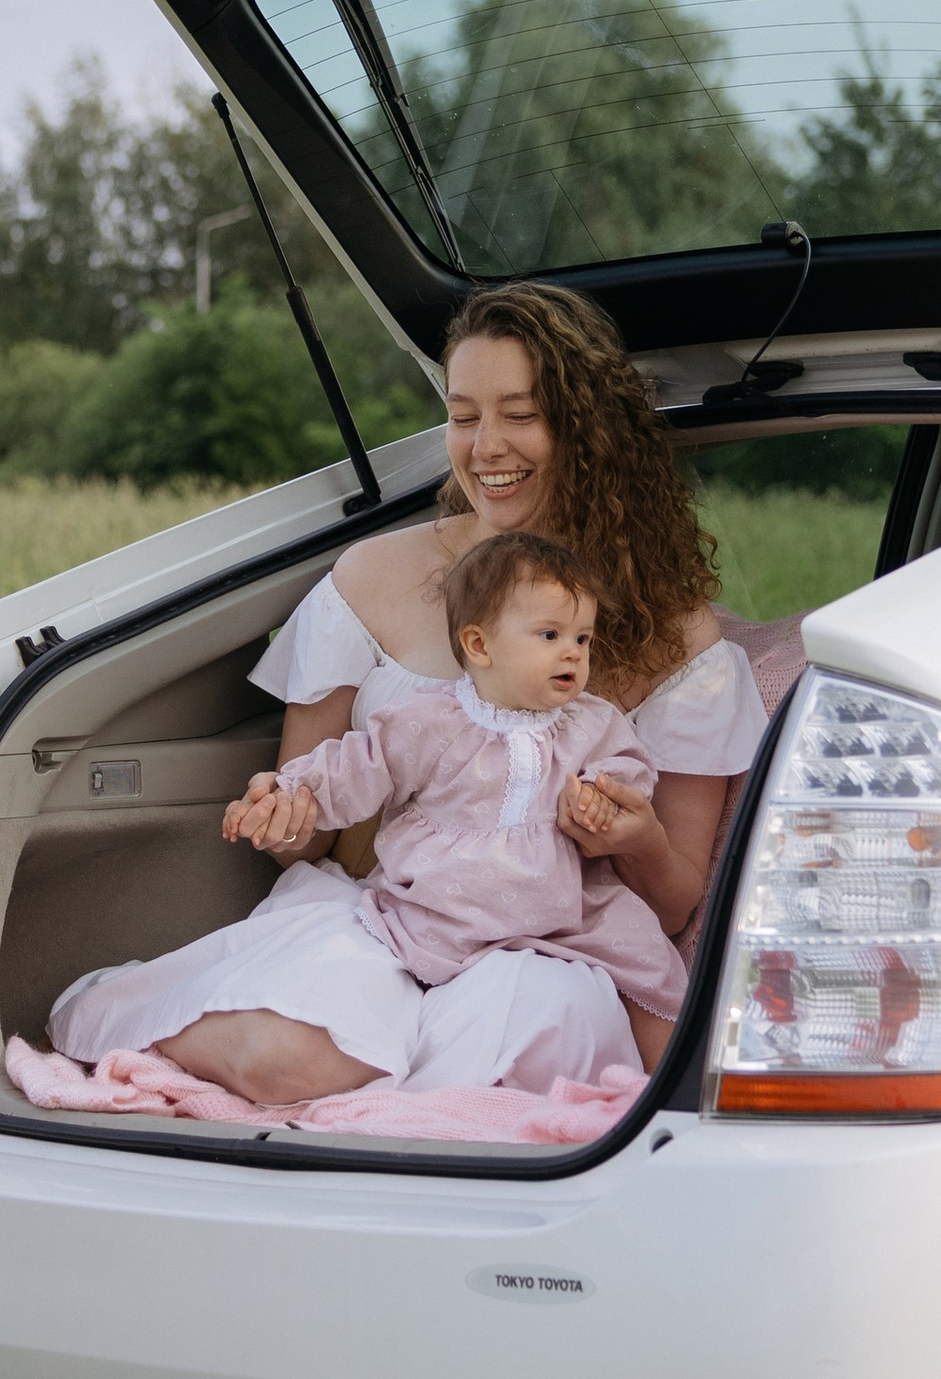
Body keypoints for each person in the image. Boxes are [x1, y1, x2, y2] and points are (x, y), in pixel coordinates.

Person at [46, 280, 765, 1106]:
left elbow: (674, 905)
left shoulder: (677, 638)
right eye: (464, 416)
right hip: (375, 913)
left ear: (588, 428)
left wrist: (627, 839)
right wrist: (285, 816)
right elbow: (308, 832)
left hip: (551, 944)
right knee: (295, 1060)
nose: (486, 445)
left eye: (520, 414)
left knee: (529, 1042)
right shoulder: (372, 576)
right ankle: (128, 1015)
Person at [221, 529, 687, 1072]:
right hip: (441, 908)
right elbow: (357, 766)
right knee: (371, 990)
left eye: (583, 639)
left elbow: (627, 767)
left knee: (653, 972)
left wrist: (604, 797)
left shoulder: (591, 721)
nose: (572, 652)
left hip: (564, 910)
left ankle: (671, 1090)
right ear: (480, 645)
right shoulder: (431, 718)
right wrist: (289, 792)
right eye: (550, 634)